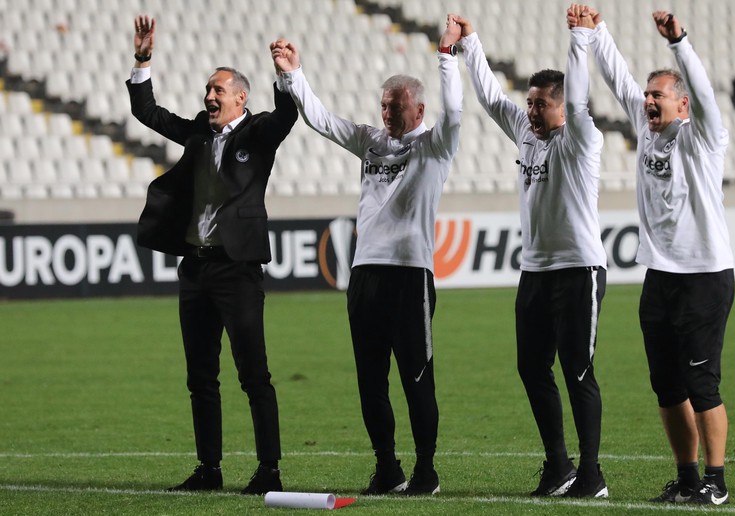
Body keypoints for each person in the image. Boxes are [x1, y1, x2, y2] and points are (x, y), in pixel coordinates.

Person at [272, 15, 462, 496]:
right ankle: (387, 467)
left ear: (419, 111)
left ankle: (426, 470)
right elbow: (322, 120)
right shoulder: (370, 141)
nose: (387, 116)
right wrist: (294, 75)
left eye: (396, 109)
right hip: (365, 275)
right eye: (383, 106)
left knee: (417, 376)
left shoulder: (435, 146)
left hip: (409, 275)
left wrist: (446, 58)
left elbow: (456, 113)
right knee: (370, 379)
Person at [127, 15, 299, 495]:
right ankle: (209, 469)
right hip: (196, 268)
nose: (209, 97)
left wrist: (286, 74)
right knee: (200, 376)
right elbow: (149, 114)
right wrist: (143, 59)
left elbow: (287, 115)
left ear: (240, 97)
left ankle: (269, 469)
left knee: (254, 375)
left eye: (218, 91)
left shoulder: (259, 133)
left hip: (237, 269)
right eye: (207, 90)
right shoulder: (199, 134)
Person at [454, 4, 609, 499]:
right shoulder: (525, 131)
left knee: (577, 370)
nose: (531, 111)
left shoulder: (582, 138)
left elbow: (581, 97)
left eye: (541, 104)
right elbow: (490, 96)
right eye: (531, 103)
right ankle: (558, 465)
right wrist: (469, 43)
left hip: (579, 269)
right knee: (530, 367)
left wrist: (580, 40)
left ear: (562, 107)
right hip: (536, 272)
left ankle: (592, 474)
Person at [584, 7, 735, 505]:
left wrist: (679, 42)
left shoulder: (703, 137)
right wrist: (594, 30)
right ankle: (688, 476)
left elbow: (706, 93)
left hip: (704, 276)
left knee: (701, 384)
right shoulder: (647, 128)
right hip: (661, 276)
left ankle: (716, 481)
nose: (648, 101)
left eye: (659, 95)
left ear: (683, 105)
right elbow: (615, 75)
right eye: (648, 95)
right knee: (667, 387)